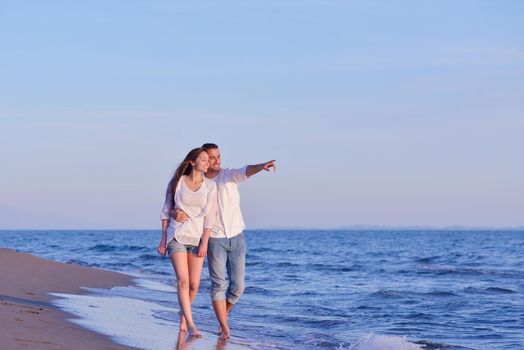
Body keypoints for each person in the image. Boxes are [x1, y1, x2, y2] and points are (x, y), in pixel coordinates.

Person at [172, 143, 275, 340]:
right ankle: (222, 326)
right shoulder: (199, 183)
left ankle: (223, 314)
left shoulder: (229, 175)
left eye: (219, 156)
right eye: (212, 157)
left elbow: (246, 170)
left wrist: (261, 166)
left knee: (238, 287)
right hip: (214, 239)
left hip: (236, 236)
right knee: (217, 284)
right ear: (204, 159)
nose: (217, 160)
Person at [157, 147, 218, 338]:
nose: (207, 162)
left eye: (208, 160)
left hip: (197, 237)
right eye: (203, 159)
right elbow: (167, 211)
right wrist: (163, 239)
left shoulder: (210, 187)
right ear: (192, 162)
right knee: (183, 281)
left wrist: (205, 243)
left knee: (194, 285)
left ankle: (183, 314)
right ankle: (191, 324)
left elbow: (210, 218)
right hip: (177, 236)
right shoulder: (177, 183)